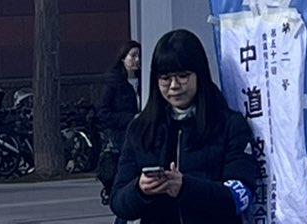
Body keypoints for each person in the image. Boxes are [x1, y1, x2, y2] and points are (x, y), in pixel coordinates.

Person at [110, 29, 259, 224]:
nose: (174, 85)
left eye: (183, 75)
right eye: (165, 78)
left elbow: (240, 196)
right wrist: (139, 189)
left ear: (200, 75)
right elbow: (118, 202)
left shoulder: (230, 125)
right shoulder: (140, 128)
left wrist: (185, 187)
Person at [99, 43, 143, 203]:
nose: (137, 60)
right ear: (123, 58)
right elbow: (103, 113)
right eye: (133, 56)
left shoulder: (145, 81)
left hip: (142, 136)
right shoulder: (113, 82)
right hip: (121, 138)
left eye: (139, 56)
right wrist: (131, 118)